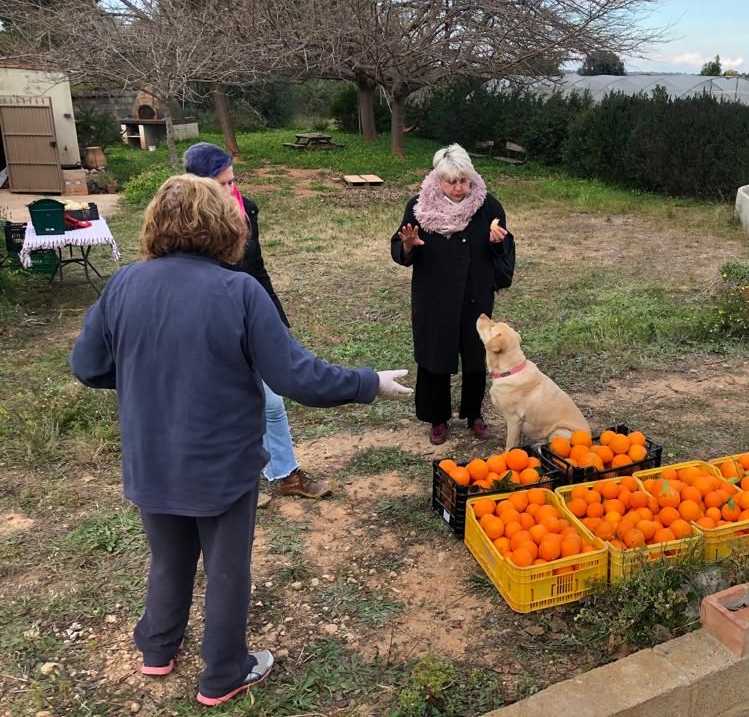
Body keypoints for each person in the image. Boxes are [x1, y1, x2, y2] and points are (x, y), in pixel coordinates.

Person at [69, 175, 411, 706]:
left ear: (155, 223)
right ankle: (224, 671)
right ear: (227, 227)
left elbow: (87, 366)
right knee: (227, 569)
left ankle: (157, 647)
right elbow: (298, 377)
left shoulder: (123, 284)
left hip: (151, 459)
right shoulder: (239, 291)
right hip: (221, 466)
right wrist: (370, 382)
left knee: (168, 557)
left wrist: (150, 374)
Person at [183, 142, 326, 505]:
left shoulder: (246, 209)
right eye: (223, 184)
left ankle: (285, 473)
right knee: (225, 405)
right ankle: (235, 481)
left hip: (249, 317)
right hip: (211, 326)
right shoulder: (185, 223)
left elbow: (257, 268)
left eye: (233, 181)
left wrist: (275, 319)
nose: (231, 191)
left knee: (272, 402)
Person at [391, 143, 515, 445]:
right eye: (451, 181)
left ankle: (474, 414)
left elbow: (503, 248)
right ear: (438, 179)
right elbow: (401, 246)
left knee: (476, 352)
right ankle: (437, 417)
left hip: (475, 290)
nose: (459, 188)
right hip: (435, 291)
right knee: (436, 352)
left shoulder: (488, 206)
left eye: (464, 181)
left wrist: (497, 242)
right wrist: (408, 244)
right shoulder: (419, 206)